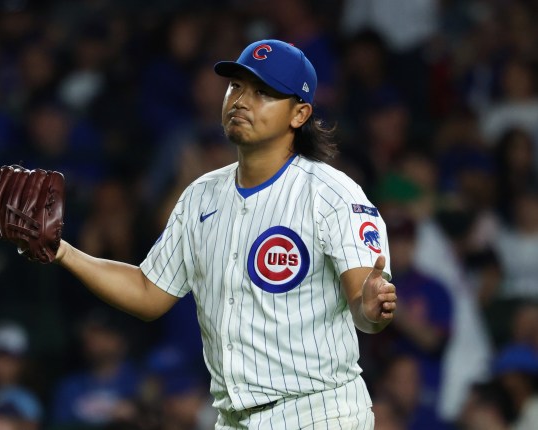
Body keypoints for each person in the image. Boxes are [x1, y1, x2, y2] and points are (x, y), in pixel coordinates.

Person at [42, 39, 395, 429]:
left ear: (300, 114)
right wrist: (62, 251)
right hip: (231, 418)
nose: (241, 100)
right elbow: (148, 292)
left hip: (317, 413)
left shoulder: (331, 193)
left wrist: (372, 307)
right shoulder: (200, 196)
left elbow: (366, 307)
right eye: (236, 86)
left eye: (263, 92)